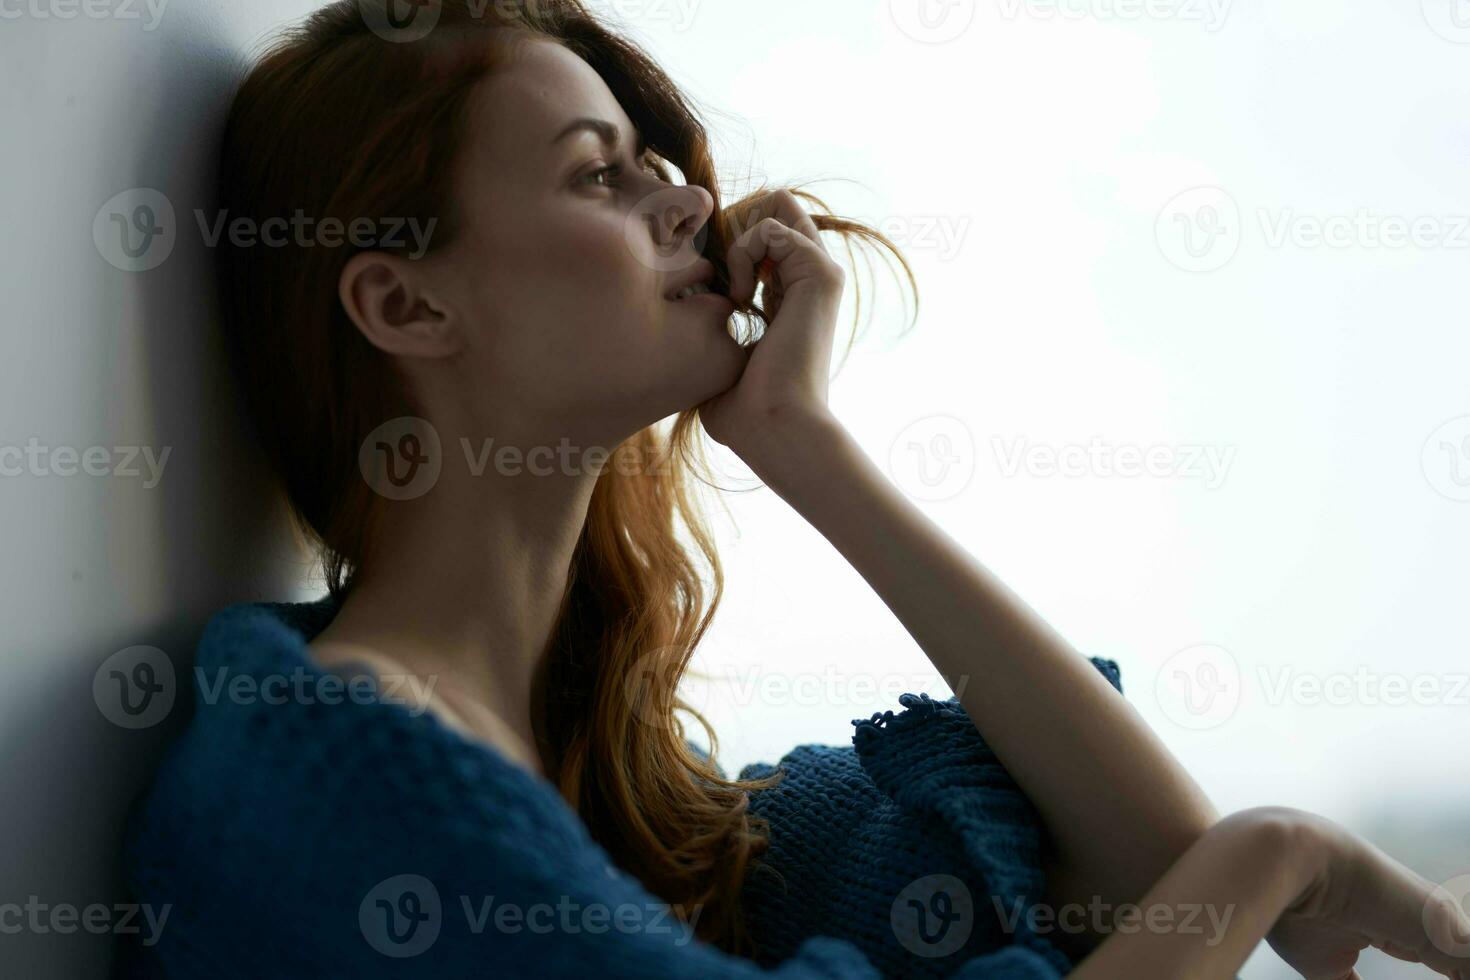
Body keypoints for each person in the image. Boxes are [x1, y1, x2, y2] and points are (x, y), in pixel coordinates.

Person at [115, 2, 1470, 977]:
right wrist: (1281, 852)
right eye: (597, 172)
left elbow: (1129, 880)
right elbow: (1207, 890)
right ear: (405, 301)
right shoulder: (343, 783)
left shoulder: (619, 795)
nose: (684, 204)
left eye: (658, 164)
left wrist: (804, 449)